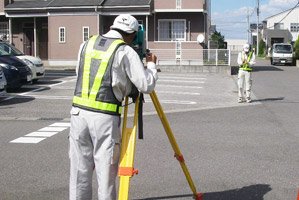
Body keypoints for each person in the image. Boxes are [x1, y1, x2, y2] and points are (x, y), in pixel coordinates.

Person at [69, 14, 158, 200]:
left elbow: (81, 73)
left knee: (79, 171)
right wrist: (151, 65)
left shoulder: (86, 44)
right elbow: (146, 85)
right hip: (105, 117)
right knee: (105, 175)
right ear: (132, 35)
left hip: (78, 114)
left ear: (112, 27)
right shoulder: (125, 51)